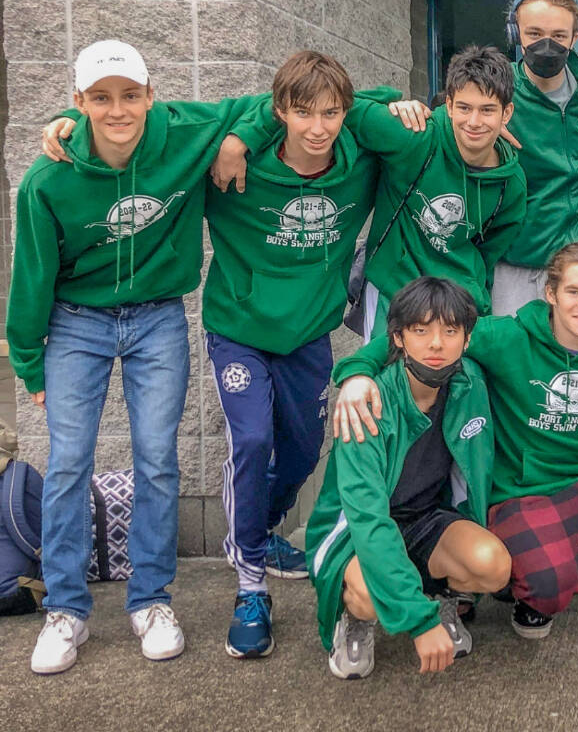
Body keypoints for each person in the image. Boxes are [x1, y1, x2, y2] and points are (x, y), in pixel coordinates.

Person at [9, 40, 266, 674]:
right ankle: (66, 611)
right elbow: (31, 274)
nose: (117, 109)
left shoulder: (183, 132)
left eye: (130, 95)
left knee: (157, 458)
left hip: (157, 318)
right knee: (69, 461)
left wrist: (236, 142)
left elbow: (269, 103)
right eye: (100, 98)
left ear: (152, 95)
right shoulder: (49, 176)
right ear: (78, 102)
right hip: (75, 322)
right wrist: (27, 357)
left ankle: (150, 599)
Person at [330, 243, 578, 657]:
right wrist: (356, 372)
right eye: (574, 292)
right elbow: (429, 335)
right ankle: (540, 577)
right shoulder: (507, 337)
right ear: (551, 294)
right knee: (549, 588)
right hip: (527, 494)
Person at [201, 52, 384, 658]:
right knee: (252, 440)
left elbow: (384, 100)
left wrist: (411, 105)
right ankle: (250, 584)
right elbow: (166, 122)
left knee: (305, 450)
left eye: (330, 112)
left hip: (308, 334)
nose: (317, 126)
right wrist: (237, 135)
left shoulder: (359, 159)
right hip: (240, 329)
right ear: (278, 111)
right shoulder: (238, 161)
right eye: (301, 111)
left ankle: (253, 530)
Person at [224, 46, 527, 336]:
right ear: (448, 105)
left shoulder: (510, 184)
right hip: (393, 294)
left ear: (507, 113)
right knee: (386, 387)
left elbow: (488, 254)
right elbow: (312, 101)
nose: (474, 121)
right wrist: (243, 136)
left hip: (457, 304)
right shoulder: (412, 136)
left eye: (488, 110)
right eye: (464, 107)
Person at [307, 277, 508, 679]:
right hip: (357, 528)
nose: (436, 344)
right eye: (421, 330)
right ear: (397, 337)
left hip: (427, 518)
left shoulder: (471, 382)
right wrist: (420, 623)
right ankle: (355, 619)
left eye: (450, 331)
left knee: (492, 565)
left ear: (467, 339)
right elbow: (367, 517)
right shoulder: (366, 402)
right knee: (367, 595)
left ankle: (441, 596)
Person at [492, 0, 578, 315]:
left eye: (559, 36)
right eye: (534, 32)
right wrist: (404, 108)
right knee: (513, 363)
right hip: (516, 265)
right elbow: (446, 118)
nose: (547, 45)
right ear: (515, 33)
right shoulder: (497, 92)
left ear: (575, 39)